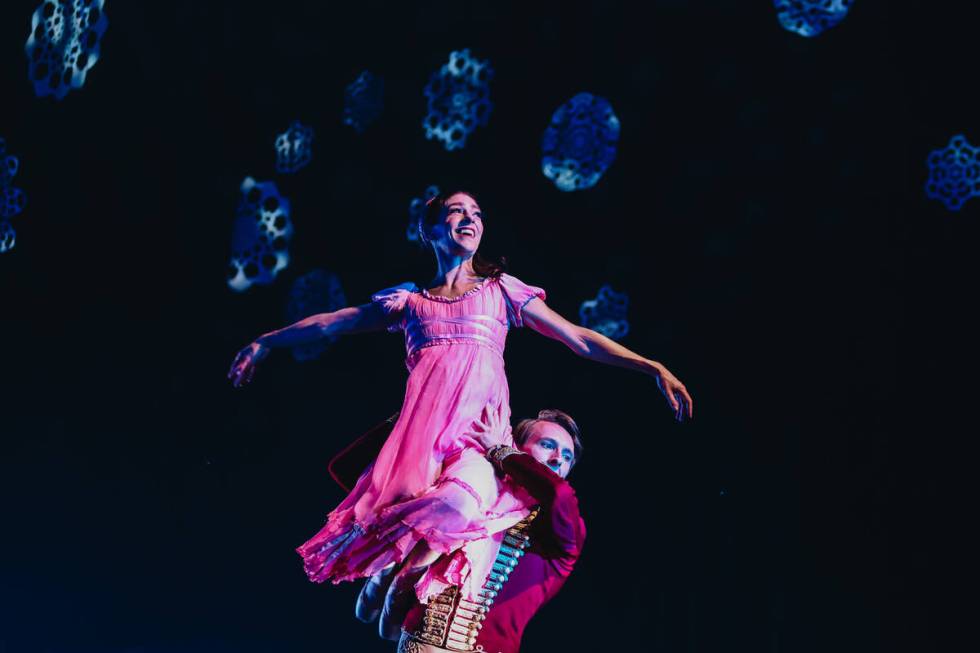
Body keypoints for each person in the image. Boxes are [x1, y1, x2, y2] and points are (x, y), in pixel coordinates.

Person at [227, 191, 692, 635]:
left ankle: (398, 591)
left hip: (479, 439)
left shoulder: (501, 292)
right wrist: (266, 341)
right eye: (456, 210)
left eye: (477, 211)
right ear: (430, 229)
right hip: (421, 440)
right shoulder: (410, 302)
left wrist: (650, 366)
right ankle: (384, 594)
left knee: (460, 506)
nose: (471, 217)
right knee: (393, 522)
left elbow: (579, 338)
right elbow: (334, 321)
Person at [330, 406, 587, 653]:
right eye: (547, 445)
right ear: (517, 445)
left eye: (567, 457)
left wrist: (500, 452)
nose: (557, 460)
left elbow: (558, 494)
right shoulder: (465, 493)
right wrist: (420, 412)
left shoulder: (561, 531)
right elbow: (349, 470)